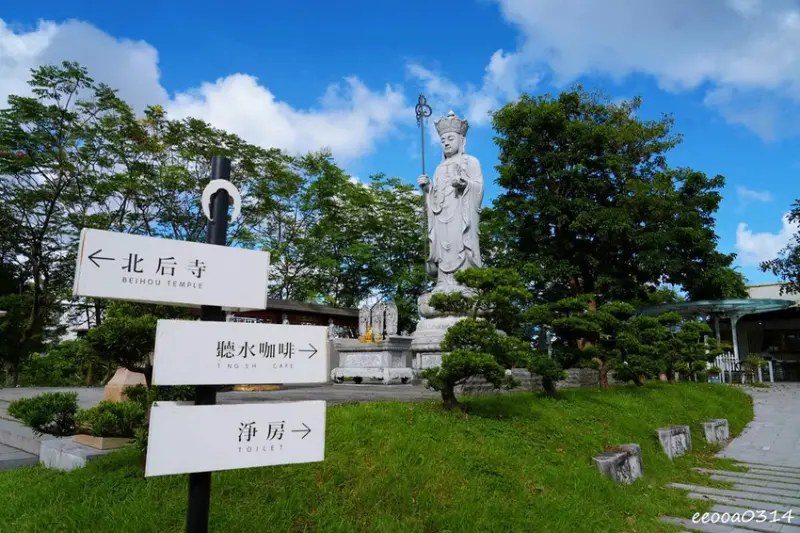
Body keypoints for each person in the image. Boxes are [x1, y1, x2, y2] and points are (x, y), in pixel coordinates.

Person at [417, 110, 484, 291]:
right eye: (443, 140)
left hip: (461, 215)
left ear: (462, 140)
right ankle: (442, 282)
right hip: (442, 217)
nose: (446, 142)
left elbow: (479, 188)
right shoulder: (438, 168)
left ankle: (465, 282)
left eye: (450, 138)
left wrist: (465, 184)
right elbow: (435, 198)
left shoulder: (471, 162)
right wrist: (428, 189)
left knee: (460, 244)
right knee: (442, 247)